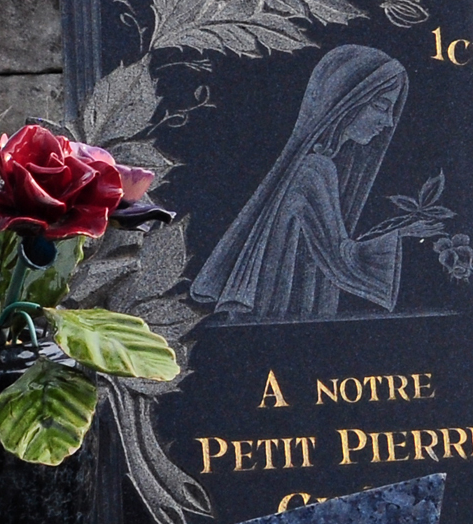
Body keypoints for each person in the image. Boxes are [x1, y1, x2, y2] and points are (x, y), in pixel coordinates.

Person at [191, 45, 445, 320]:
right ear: (347, 101)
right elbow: (340, 257)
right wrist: (400, 235)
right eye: (381, 106)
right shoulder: (316, 170)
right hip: (284, 313)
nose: (388, 121)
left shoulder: (311, 166)